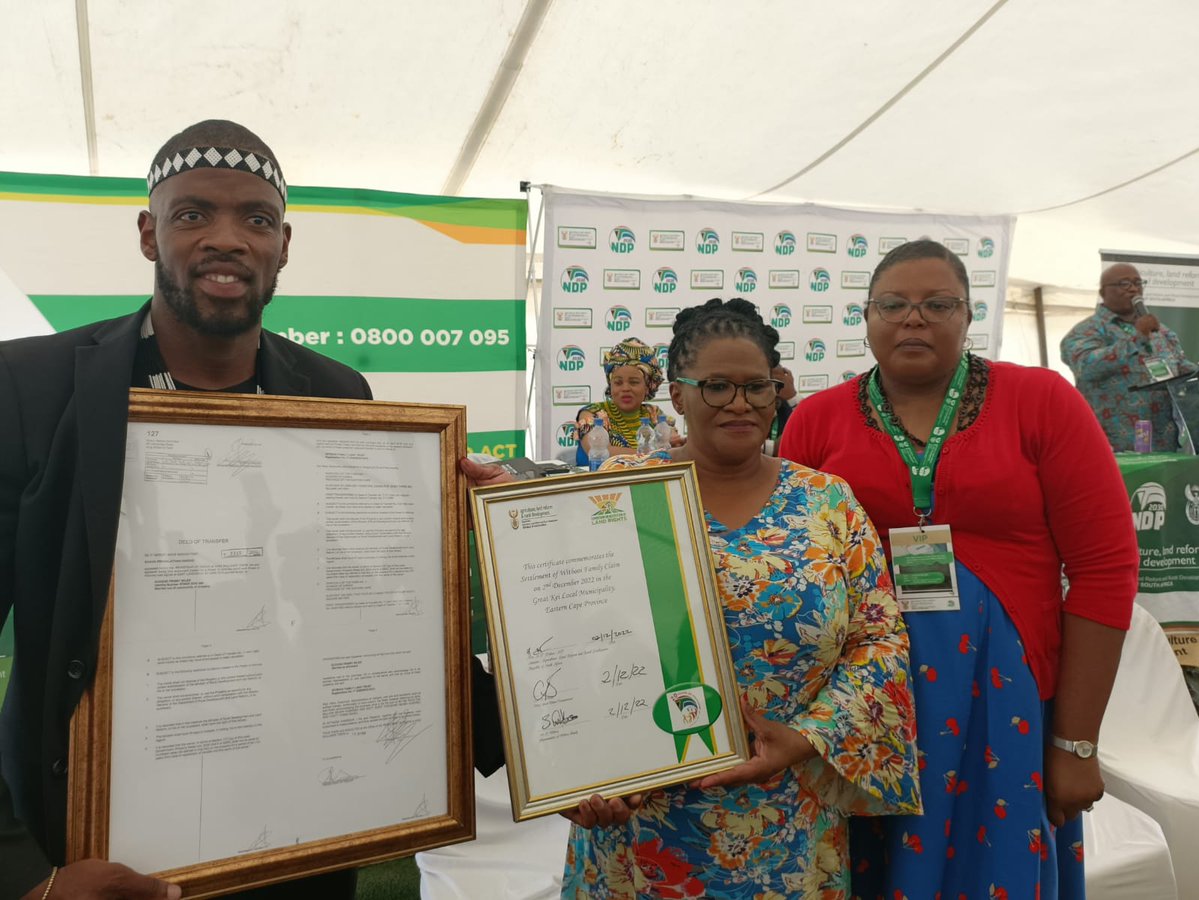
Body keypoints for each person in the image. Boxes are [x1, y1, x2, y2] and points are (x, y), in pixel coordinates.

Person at [0, 120, 506, 900]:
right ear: (148, 233)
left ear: (284, 245)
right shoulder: (32, 387)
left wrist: (466, 537)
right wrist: (30, 879)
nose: (228, 239)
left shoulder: (340, 394)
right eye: (193, 214)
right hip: (97, 851)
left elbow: (375, 610)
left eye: (257, 220)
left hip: (298, 829)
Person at [780, 240, 1139, 899]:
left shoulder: (1042, 401)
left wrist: (1077, 744)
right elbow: (785, 575)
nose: (913, 319)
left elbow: (1106, 569)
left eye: (937, 304)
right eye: (893, 304)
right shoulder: (814, 421)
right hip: (861, 712)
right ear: (865, 317)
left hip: (1004, 706)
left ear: (970, 316)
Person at [561, 298, 920, 898]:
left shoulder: (827, 502)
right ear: (675, 394)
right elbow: (559, 638)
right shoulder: (617, 494)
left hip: (788, 818)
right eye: (717, 386)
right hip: (640, 818)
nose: (740, 403)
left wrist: (807, 738)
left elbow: (879, 639)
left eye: (758, 386)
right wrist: (574, 771)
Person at [1060, 262, 1190, 451]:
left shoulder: (1162, 332)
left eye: (1138, 283)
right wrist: (1136, 339)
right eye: (1124, 284)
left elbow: (1179, 365)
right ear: (1103, 292)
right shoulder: (1086, 331)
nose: (1134, 288)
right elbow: (1087, 367)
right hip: (1114, 445)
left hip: (1165, 442)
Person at [574, 337, 679, 464]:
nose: (625, 388)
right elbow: (600, 451)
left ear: (647, 386)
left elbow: (672, 445)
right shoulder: (592, 414)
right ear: (610, 384)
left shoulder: (655, 414)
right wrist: (655, 454)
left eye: (634, 382)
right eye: (618, 382)